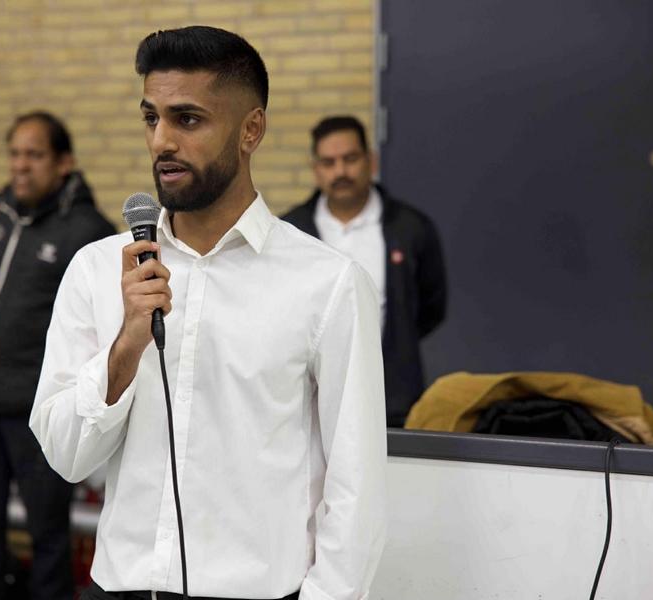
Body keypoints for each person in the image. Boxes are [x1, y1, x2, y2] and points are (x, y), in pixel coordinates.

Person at [30, 26, 387, 600]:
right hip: (121, 586)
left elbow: (357, 483)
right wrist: (126, 347)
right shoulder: (98, 270)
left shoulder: (328, 283)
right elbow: (66, 457)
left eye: (187, 119)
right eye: (151, 118)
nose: (162, 141)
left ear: (251, 130)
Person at [0, 111, 117, 600]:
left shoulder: (86, 229)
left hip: (39, 411)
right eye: (14, 154)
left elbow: (96, 322)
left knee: (48, 534)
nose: (20, 165)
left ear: (64, 162)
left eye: (34, 155)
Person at [282, 115, 447, 427]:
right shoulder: (290, 231)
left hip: (392, 402)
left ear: (371, 161)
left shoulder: (411, 228)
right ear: (316, 169)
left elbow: (431, 308)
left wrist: (398, 342)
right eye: (328, 162)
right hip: (308, 402)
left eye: (350, 159)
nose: (340, 172)